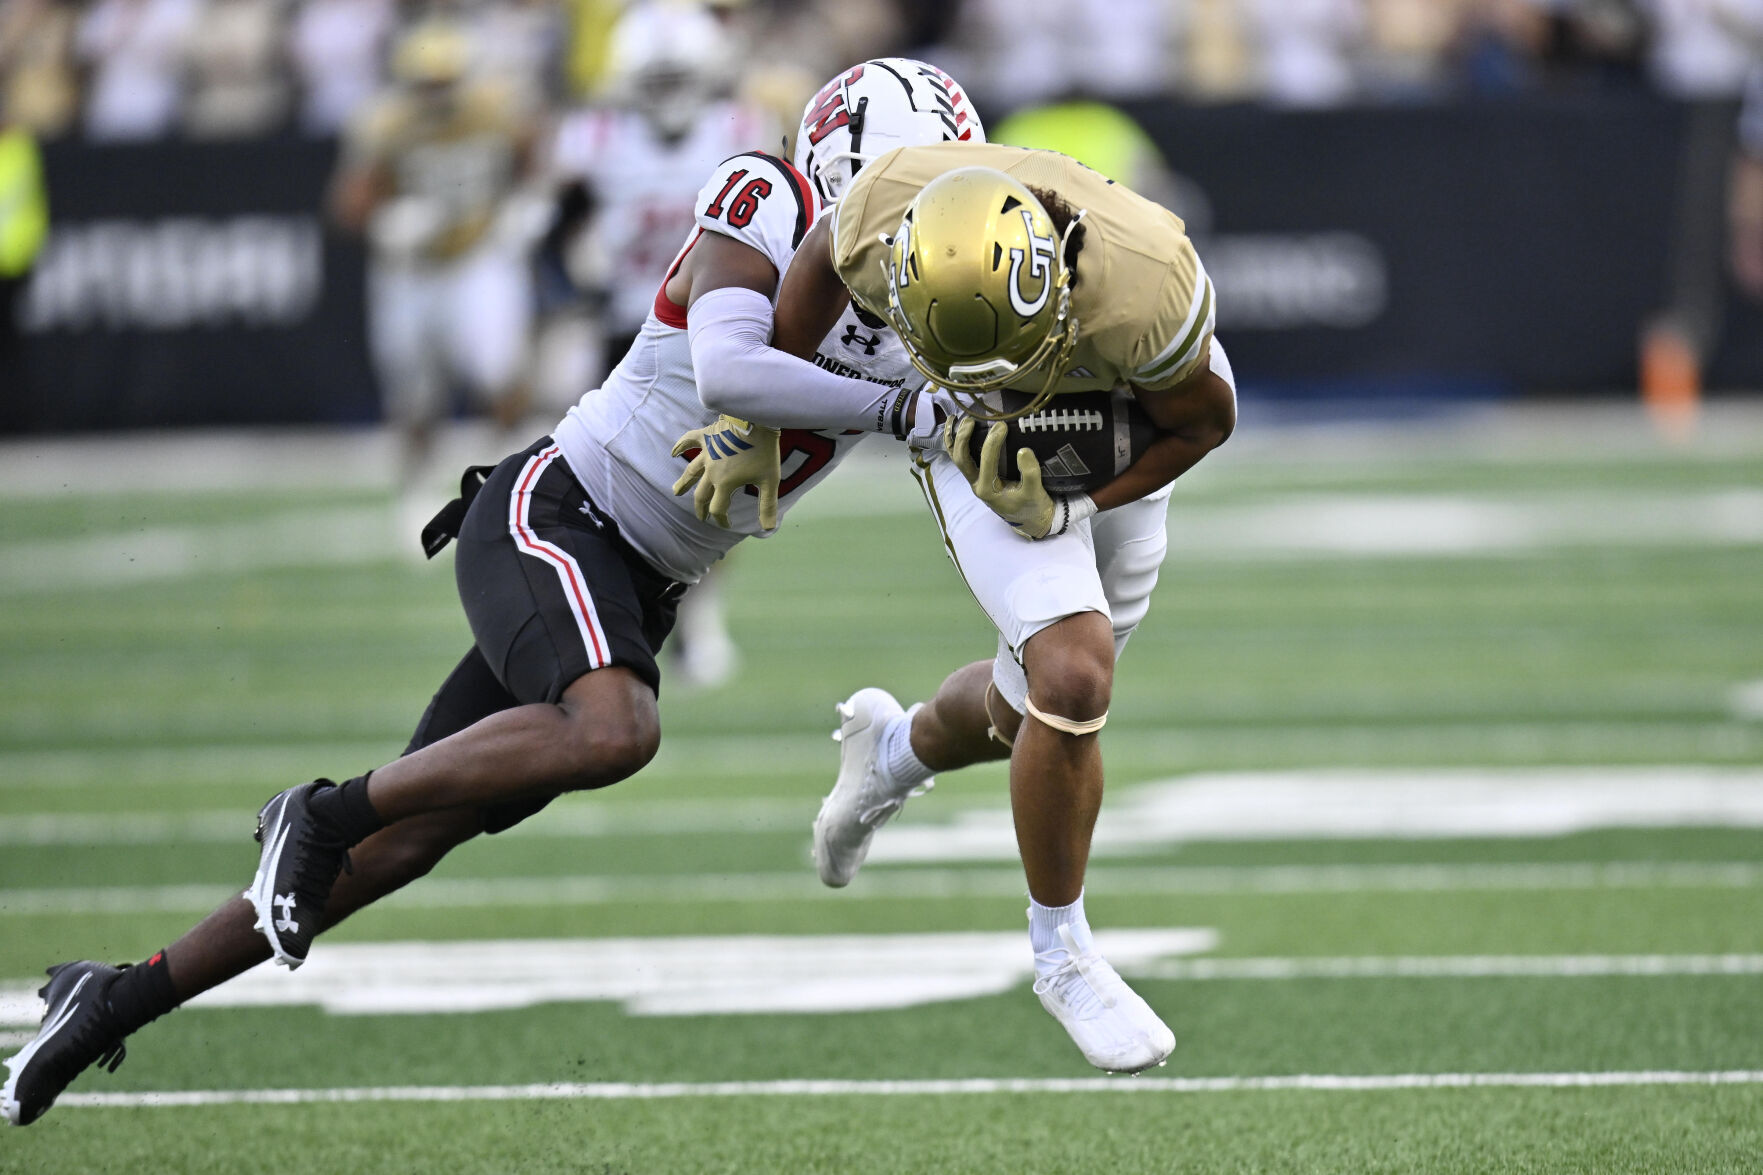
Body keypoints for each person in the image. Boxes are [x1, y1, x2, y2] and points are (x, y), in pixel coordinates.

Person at [0, 57, 984, 1130]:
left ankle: (112, 997)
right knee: (616, 728)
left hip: (638, 579)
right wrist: (906, 413)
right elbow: (730, 373)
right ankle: (316, 808)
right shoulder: (768, 196)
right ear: (843, 168)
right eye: (905, 182)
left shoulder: (916, 304)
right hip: (555, 514)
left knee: (403, 844)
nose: (921, 214)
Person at [681, 141, 1237, 1074]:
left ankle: (890, 755)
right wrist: (759, 420)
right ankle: (1060, 952)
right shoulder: (880, 211)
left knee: (1031, 715)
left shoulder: (1146, 289)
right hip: (958, 434)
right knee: (1074, 671)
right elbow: (818, 260)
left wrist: (1075, 505)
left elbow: (1203, 419)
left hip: (1115, 424)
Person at [328, 18, 541, 528]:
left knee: (499, 369)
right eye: (428, 84)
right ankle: (417, 490)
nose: (438, 95)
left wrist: (525, 202)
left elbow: (534, 153)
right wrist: (382, 223)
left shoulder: (495, 108)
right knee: (414, 392)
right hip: (411, 270)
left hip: (477, 255)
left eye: (446, 82)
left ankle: (510, 483)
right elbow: (347, 203)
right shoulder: (385, 123)